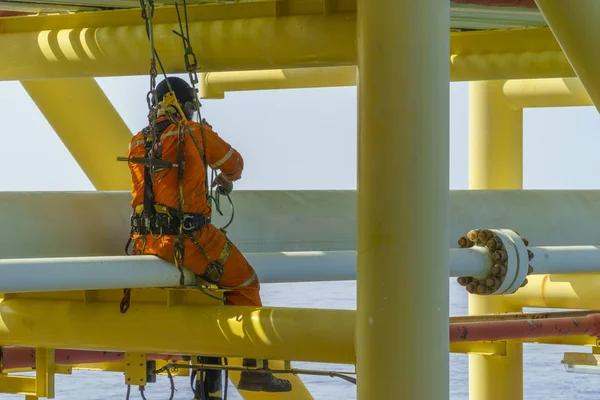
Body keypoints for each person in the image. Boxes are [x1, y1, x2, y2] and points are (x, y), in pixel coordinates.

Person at [126, 76, 292, 394]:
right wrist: (226, 178)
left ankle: (207, 379)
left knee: (211, 296)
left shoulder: (137, 140)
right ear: (187, 106)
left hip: (144, 242)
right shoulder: (194, 132)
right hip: (187, 240)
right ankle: (255, 368)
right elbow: (234, 163)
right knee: (245, 285)